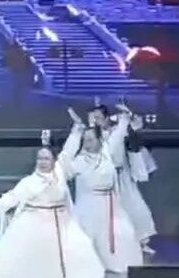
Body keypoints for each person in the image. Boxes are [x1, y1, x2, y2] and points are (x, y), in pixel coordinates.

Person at [0, 143, 104, 278]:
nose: (42, 162)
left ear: (53, 160)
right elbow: (10, 199)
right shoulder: (29, 182)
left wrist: (77, 131)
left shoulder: (59, 174)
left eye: (46, 158)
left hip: (61, 224)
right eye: (40, 158)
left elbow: (69, 151)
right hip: (35, 226)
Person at [63, 106, 143, 273]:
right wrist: (76, 130)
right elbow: (65, 165)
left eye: (91, 140)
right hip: (88, 206)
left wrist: (124, 118)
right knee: (86, 236)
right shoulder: (80, 161)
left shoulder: (107, 153)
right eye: (85, 140)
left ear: (99, 140)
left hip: (110, 205)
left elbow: (118, 134)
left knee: (122, 234)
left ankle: (115, 266)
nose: (87, 144)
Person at [89, 102, 158, 254]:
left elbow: (136, 127)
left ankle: (142, 242)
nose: (97, 121)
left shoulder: (118, 130)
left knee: (135, 207)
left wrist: (128, 114)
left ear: (107, 117)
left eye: (99, 117)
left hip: (123, 176)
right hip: (105, 179)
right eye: (95, 118)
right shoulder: (94, 136)